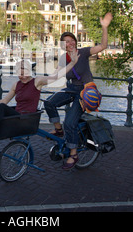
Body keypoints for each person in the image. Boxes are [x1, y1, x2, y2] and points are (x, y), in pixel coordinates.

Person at [44, 12, 113, 170]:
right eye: (65, 42)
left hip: (85, 91)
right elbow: (57, 75)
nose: (69, 43)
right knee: (49, 103)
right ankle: (59, 130)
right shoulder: (63, 59)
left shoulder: (84, 52)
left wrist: (104, 28)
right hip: (71, 88)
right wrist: (41, 81)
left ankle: (74, 154)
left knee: (70, 121)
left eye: (71, 40)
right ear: (63, 45)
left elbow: (102, 46)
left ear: (75, 42)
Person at [0, 51, 80, 131]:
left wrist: (72, 63)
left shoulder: (37, 81)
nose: (21, 76)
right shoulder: (16, 85)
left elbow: (55, 76)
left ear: (29, 72)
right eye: (19, 73)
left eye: (24, 73)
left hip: (27, 118)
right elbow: (5, 100)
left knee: (1, 108)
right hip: (16, 115)